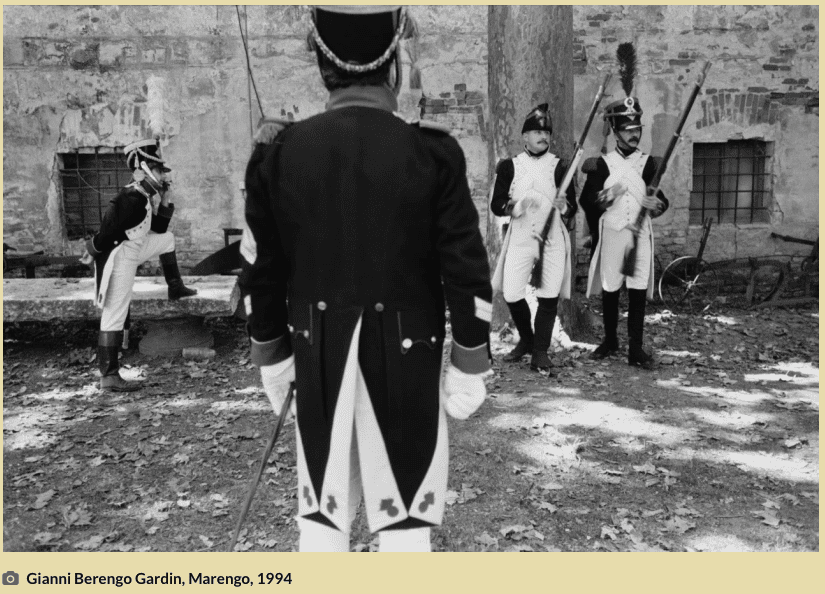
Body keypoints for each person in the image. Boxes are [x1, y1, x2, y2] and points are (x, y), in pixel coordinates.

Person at [239, 5, 492, 552]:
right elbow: (467, 269)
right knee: (404, 538)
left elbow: (262, 271)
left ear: (322, 64)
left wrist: (273, 355)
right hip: (408, 363)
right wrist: (470, 358)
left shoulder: (278, 152)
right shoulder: (433, 151)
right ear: (394, 62)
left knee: (322, 533)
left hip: (315, 358)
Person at [579, 46, 668, 370]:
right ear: (616, 132)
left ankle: (636, 348)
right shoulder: (601, 164)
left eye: (637, 129)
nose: (634, 134)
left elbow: (662, 200)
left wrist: (656, 205)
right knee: (611, 289)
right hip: (614, 234)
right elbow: (586, 201)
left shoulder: (649, 164)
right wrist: (608, 196)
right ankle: (610, 340)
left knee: (637, 288)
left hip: (640, 233)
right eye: (628, 130)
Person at [84, 139, 197, 391]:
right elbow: (108, 230)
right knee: (115, 311)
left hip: (135, 248)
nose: (161, 175)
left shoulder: (145, 196)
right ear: (143, 168)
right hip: (122, 255)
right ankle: (109, 375)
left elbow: (158, 230)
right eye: (158, 170)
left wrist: (165, 199)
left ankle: (175, 286)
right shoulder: (131, 197)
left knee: (167, 239)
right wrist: (93, 250)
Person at [490, 104, 577, 373]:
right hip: (521, 237)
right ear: (524, 137)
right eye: (537, 131)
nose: (544, 137)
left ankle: (540, 351)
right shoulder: (509, 166)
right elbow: (496, 205)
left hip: (552, 238)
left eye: (547, 133)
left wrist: (563, 206)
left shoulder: (561, 166)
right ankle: (526, 339)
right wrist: (516, 206)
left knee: (549, 296)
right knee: (513, 292)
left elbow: (572, 208)